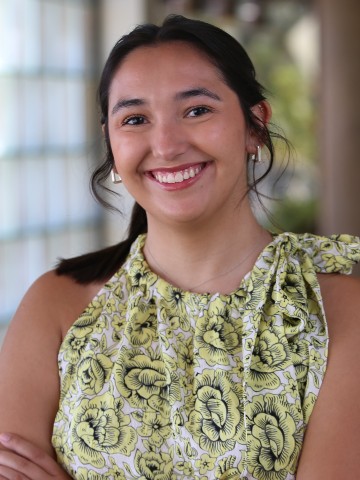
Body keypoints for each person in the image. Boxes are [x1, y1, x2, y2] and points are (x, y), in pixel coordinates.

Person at [0, 14, 359, 480]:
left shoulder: (339, 308)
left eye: (196, 111)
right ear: (110, 142)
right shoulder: (57, 303)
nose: (166, 145)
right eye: (135, 119)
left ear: (255, 125)